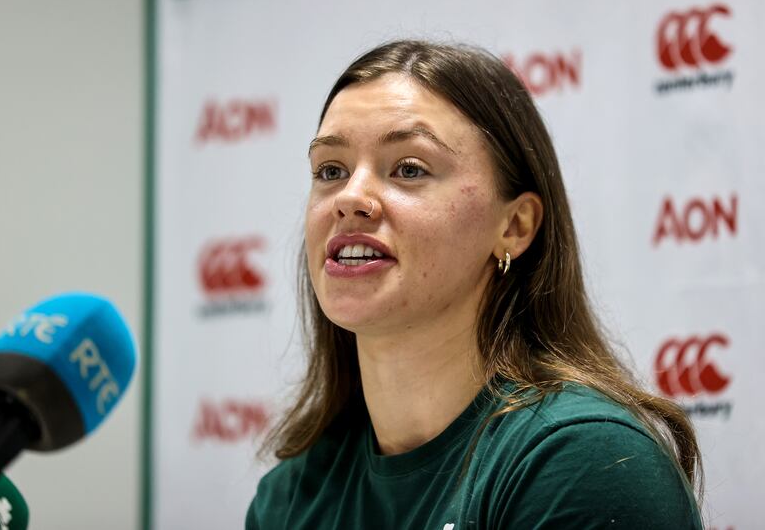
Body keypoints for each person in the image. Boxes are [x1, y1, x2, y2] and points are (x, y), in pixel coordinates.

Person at [246, 39, 702, 529]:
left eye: (409, 169)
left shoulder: (585, 462)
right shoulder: (289, 497)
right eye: (330, 171)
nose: (350, 197)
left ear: (516, 226)